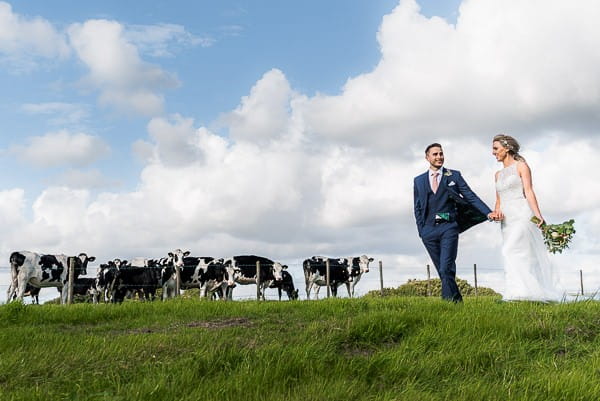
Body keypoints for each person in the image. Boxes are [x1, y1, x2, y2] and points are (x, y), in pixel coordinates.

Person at [414, 143, 494, 302]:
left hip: (449, 228)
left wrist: (488, 212)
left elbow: (470, 196)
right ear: (427, 157)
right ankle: (456, 302)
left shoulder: (454, 176)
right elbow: (417, 207)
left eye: (441, 154)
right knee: (443, 271)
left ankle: (447, 303)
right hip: (428, 231)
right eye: (435, 154)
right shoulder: (419, 180)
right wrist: (421, 231)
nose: (439, 157)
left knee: (445, 267)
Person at [492, 134, 564, 301]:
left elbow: (529, 191)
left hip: (522, 213)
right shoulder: (497, 174)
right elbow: (498, 199)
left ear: (507, 148)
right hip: (506, 219)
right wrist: (496, 212)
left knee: (512, 250)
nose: (493, 152)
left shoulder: (521, 166)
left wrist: (538, 216)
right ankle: (517, 292)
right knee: (513, 253)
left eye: (496, 148)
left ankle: (525, 292)